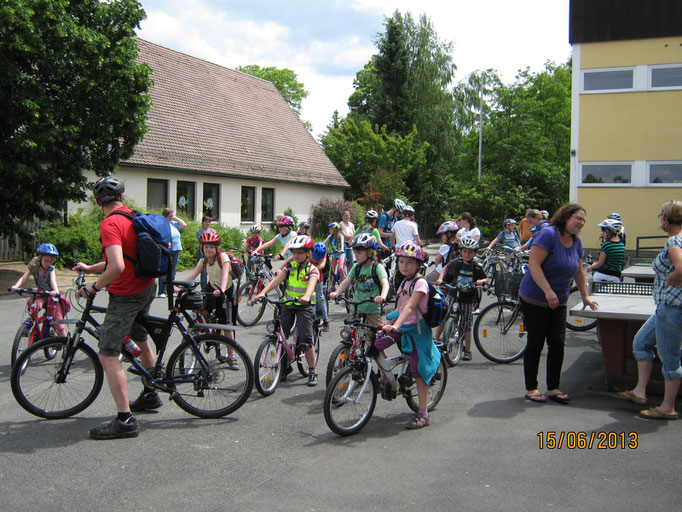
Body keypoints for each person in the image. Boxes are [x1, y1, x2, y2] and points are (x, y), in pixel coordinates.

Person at [74, 176, 158, 440]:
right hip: (147, 286)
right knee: (141, 338)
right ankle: (150, 393)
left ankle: (125, 420)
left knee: (108, 354)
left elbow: (118, 267)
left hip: (127, 294)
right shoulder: (132, 217)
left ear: (99, 202)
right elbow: (123, 259)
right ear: (121, 198)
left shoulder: (110, 224)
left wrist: (93, 287)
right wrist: (91, 269)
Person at [519, 203, 597, 404]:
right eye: (578, 218)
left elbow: (578, 270)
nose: (581, 223)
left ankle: (553, 388)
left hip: (559, 299)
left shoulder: (576, 240)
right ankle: (531, 388)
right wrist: (547, 291)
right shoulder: (548, 235)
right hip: (535, 298)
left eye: (583, 220)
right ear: (565, 218)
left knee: (557, 343)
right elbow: (533, 264)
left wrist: (585, 296)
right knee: (536, 342)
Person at [616, 200, 682, 420]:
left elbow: (680, 268)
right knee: (641, 342)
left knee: (669, 358)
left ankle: (667, 408)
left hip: (671, 308)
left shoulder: (674, 240)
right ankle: (639, 391)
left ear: (665, 218)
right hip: (666, 307)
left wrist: (673, 278)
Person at [378, 242, 442, 429]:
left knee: (418, 371)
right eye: (401, 262)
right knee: (376, 343)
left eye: (409, 262)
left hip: (417, 330)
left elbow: (411, 307)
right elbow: (400, 307)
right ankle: (385, 378)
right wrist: (388, 323)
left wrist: (395, 325)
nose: (404, 266)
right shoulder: (404, 282)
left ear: (418, 265)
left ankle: (423, 413)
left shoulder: (420, 283)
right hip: (401, 325)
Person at [254, 235, 320, 386]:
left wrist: (307, 296)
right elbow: (275, 282)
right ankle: (284, 366)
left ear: (308, 253)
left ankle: (312, 370)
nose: (296, 255)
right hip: (288, 304)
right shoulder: (289, 268)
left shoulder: (312, 269)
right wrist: (263, 293)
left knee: (305, 340)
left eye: (300, 252)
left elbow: (311, 285)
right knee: (281, 334)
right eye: (294, 252)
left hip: (305, 306)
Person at [180, 231, 239, 368]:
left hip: (226, 291)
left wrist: (222, 290)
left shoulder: (223, 257)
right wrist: (178, 286)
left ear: (217, 248)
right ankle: (211, 319)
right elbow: (192, 275)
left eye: (211, 247)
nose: (208, 249)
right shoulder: (204, 261)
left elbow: (225, 275)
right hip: (212, 288)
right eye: (206, 247)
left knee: (226, 324)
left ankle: (231, 355)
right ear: (202, 249)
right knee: (199, 306)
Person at [435, 238, 488, 360]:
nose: (467, 254)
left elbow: (486, 278)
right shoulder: (457, 262)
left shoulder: (477, 267)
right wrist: (440, 278)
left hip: (467, 298)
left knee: (467, 324)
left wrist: (481, 281)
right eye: (465, 251)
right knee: (444, 315)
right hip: (454, 293)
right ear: (461, 251)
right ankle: (436, 339)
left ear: (475, 253)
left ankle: (467, 349)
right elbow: (446, 268)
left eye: (470, 252)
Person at [11, 243, 68, 337]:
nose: (49, 263)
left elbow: (53, 281)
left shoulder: (50, 269)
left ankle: (65, 343)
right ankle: (28, 327)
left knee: (59, 322)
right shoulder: (33, 267)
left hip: (51, 294)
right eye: (46, 261)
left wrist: (56, 292)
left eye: (51, 261)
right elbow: (24, 278)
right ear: (40, 258)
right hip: (41, 293)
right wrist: (16, 286)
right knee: (35, 306)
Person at [331, 234, 389, 326]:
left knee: (377, 334)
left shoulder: (377, 267)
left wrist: (382, 296)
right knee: (348, 333)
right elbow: (346, 282)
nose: (356, 256)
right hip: (356, 306)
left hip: (372, 309)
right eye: (355, 253)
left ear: (370, 253)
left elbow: (385, 283)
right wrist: (337, 292)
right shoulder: (356, 267)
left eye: (359, 253)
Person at [158, 208, 186, 298]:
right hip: (166, 249)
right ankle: (162, 291)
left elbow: (184, 225)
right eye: (170, 215)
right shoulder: (162, 225)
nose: (171, 217)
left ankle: (171, 290)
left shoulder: (173, 224)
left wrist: (176, 218)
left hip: (176, 249)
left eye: (172, 215)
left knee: (172, 271)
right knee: (164, 270)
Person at [196, 216, 216, 290]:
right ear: (202, 222)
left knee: (213, 270)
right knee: (203, 272)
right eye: (206, 221)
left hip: (212, 253)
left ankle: (213, 287)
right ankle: (204, 289)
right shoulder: (199, 232)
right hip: (202, 253)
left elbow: (215, 242)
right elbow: (201, 243)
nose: (207, 223)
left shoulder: (213, 231)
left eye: (209, 222)